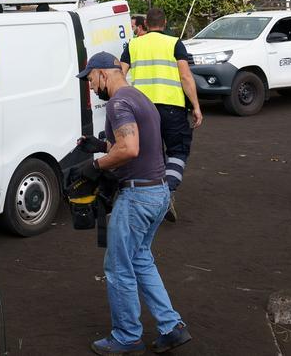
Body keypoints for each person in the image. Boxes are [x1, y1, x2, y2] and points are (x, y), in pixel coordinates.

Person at [71, 52, 192, 355]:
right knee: (140, 259)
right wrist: (99, 146)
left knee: (118, 267)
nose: (90, 87)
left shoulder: (117, 103)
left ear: (102, 73)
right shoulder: (139, 97)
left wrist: (95, 166)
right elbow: (136, 142)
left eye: (90, 79)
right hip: (158, 191)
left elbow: (130, 148)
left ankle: (126, 336)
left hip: (137, 197)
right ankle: (171, 326)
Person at [121, 7, 202, 220]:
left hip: (141, 109)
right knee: (177, 151)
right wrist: (196, 106)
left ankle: (142, 202)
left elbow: (120, 75)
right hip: (172, 107)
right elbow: (185, 77)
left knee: (149, 154)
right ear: (164, 23)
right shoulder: (174, 43)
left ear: (145, 24)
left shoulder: (133, 44)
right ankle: (166, 195)